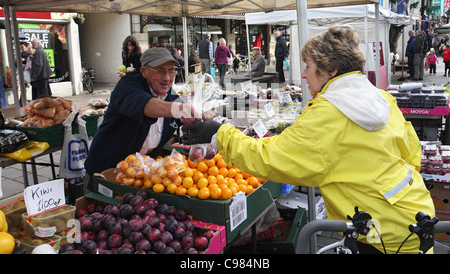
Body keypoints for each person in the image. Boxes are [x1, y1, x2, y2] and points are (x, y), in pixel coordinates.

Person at [183, 25, 435, 254]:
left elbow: (270, 158)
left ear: (331, 70)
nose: (303, 74)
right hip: (416, 216)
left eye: (308, 65)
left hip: (380, 236)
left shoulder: (328, 113)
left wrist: (220, 133)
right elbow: (412, 153)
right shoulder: (379, 97)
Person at [84, 47, 202, 184]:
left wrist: (201, 116)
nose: (167, 78)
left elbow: (184, 115)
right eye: (160, 71)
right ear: (143, 71)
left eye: (171, 71)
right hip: (106, 173)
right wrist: (179, 109)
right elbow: (146, 105)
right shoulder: (127, 86)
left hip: (140, 177)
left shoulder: (169, 94)